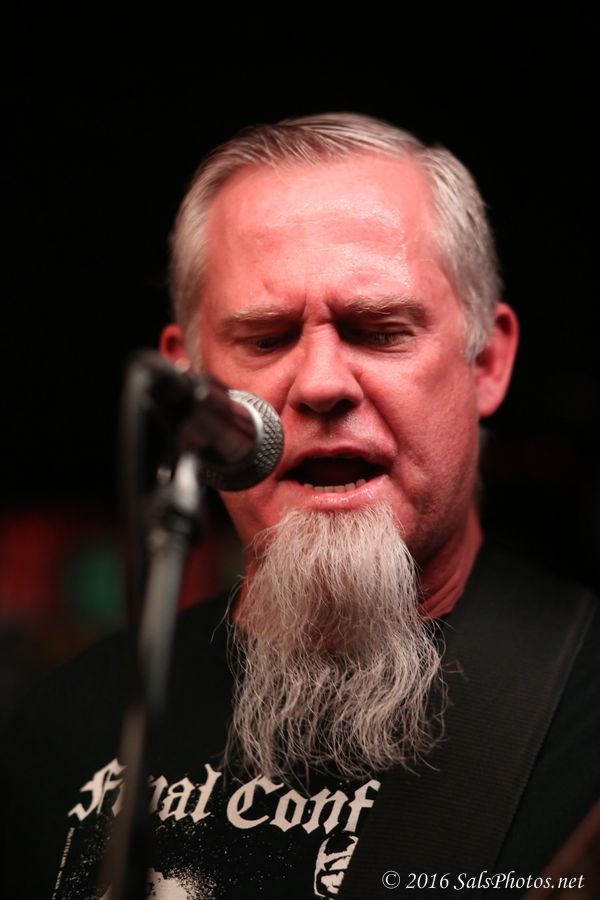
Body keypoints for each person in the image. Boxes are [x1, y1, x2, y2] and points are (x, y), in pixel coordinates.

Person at [1, 113, 598, 899]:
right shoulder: (64, 726)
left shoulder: (582, 715)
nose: (320, 384)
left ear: (486, 360)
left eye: (379, 331)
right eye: (266, 337)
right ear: (190, 384)